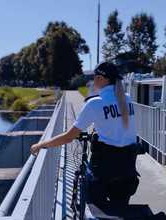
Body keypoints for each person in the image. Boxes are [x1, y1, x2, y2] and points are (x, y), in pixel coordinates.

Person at [30, 61, 139, 207]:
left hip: (104, 171)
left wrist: (42, 144)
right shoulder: (126, 98)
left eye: (95, 77)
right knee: (120, 213)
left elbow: (69, 137)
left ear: (102, 79)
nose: (93, 80)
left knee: (94, 207)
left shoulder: (95, 104)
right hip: (127, 169)